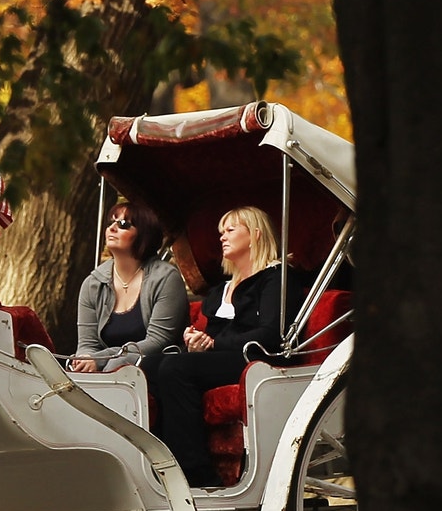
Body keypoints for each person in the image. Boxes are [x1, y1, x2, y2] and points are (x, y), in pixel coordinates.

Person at [147, 205, 298, 488]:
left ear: (254, 234)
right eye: (221, 232)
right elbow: (213, 336)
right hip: (225, 357)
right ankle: (160, 461)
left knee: (176, 368)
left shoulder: (275, 278)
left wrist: (214, 343)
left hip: (257, 358)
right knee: (149, 367)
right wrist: (197, 340)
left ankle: (193, 470)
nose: (222, 237)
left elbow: (269, 334)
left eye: (230, 230)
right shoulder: (220, 290)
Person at [67, 200, 187, 373]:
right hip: (108, 366)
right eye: (111, 223)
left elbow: (158, 341)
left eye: (123, 224)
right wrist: (85, 359)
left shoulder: (166, 278)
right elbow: (87, 344)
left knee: (117, 367)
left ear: (144, 234)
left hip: (158, 367)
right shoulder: (92, 283)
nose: (112, 229)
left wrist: (104, 359)